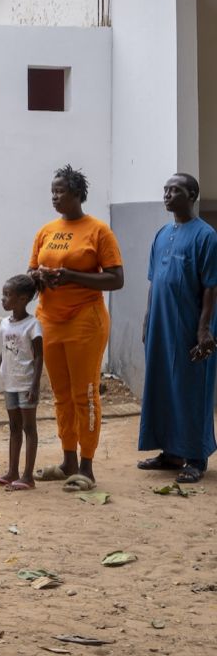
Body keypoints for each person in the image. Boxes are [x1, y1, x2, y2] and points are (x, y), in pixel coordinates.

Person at [29, 164, 123, 489]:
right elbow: (30, 273)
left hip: (86, 321)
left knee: (85, 394)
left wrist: (72, 277)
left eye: (61, 191)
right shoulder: (46, 231)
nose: (54, 196)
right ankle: (67, 460)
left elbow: (115, 278)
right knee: (60, 395)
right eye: (52, 191)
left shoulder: (98, 231)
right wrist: (37, 278)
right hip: (50, 322)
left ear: (78, 194)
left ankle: (87, 467)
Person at [137, 173, 217, 484]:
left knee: (191, 388)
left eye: (176, 190)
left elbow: (211, 287)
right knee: (161, 385)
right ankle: (170, 452)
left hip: (189, 324)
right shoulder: (160, 234)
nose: (168, 195)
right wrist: (147, 318)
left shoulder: (206, 236)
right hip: (161, 321)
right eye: (166, 190)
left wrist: (204, 329)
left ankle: (195, 457)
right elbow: (153, 282)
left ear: (193, 195)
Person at [0, 274, 44, 491]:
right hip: (9, 382)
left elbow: (38, 357)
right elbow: (3, 352)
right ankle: (12, 472)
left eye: (8, 295)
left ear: (23, 299)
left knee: (29, 428)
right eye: (4, 294)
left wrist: (35, 385)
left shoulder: (32, 325)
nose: (3, 299)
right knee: (14, 427)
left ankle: (28, 476)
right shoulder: (4, 324)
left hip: (26, 384)